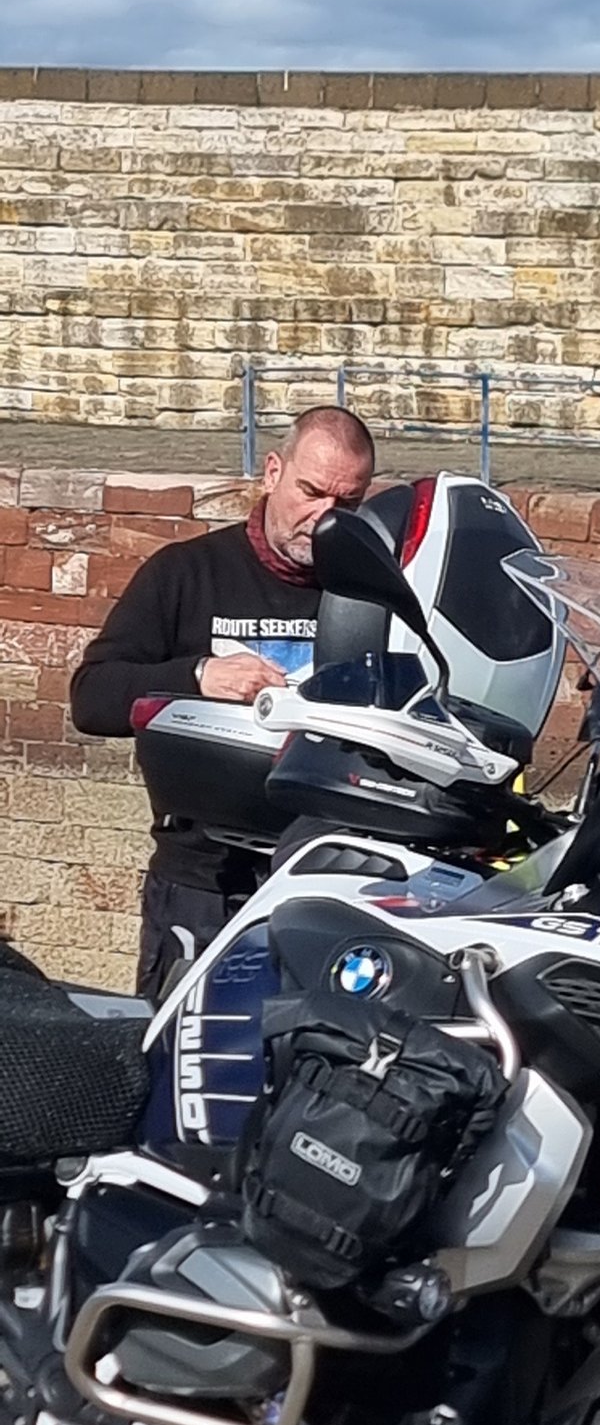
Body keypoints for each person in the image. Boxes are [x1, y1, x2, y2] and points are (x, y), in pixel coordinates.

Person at [72, 404, 377, 997]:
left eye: (348, 504)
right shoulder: (185, 574)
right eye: (311, 492)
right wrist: (198, 674)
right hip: (203, 878)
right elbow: (91, 697)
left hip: (324, 881)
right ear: (272, 473)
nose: (324, 518)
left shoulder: (375, 595)